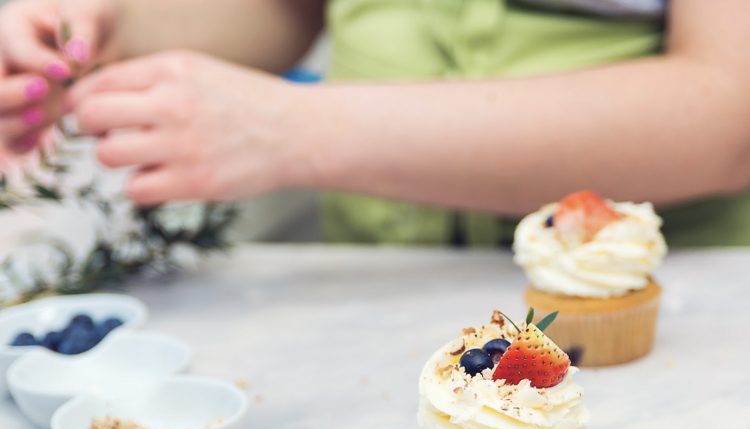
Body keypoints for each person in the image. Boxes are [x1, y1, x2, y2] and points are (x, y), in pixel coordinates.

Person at [1, 0, 749, 246]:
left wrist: (300, 130)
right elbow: (284, 11)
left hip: (658, 312)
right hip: (366, 289)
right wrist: (99, 33)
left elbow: (729, 109)